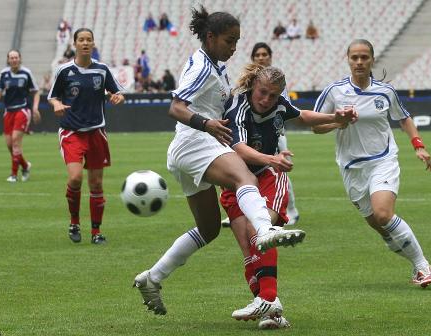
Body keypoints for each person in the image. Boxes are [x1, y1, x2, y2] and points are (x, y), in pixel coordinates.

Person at [133, 6, 306, 316]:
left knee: (209, 228)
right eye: (230, 40)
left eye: (237, 40)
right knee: (246, 178)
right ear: (210, 37)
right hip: (195, 141)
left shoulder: (214, 65)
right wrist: (207, 123)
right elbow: (175, 107)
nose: (235, 47)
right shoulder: (202, 66)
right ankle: (265, 229)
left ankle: (152, 277)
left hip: (186, 150)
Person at [221, 63, 357, 329]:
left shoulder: (279, 105)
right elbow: (238, 148)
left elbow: (303, 116)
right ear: (252, 87)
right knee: (249, 253)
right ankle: (272, 313)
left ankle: (269, 298)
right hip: (234, 183)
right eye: (262, 92)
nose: (266, 100)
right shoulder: (239, 107)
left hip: (268, 178)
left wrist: (335, 118)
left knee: (257, 231)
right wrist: (273, 157)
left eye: (273, 95)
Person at [312, 39, 431, 287]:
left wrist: (418, 145)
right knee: (380, 227)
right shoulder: (334, 91)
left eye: (364, 57)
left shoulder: (385, 91)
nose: (359, 62)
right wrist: (339, 122)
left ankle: (423, 266)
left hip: (382, 161)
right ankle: (415, 264)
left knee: (383, 214)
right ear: (347, 59)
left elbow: (404, 118)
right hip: (351, 167)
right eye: (354, 57)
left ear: (372, 60)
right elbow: (315, 125)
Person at [48, 28, 125, 245]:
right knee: (75, 178)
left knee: (96, 184)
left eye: (88, 40)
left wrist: (117, 97)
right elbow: (52, 97)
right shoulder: (64, 71)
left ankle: (96, 232)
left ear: (93, 44)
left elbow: (116, 92)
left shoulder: (102, 69)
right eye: (81, 40)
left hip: (96, 132)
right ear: (75, 44)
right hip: (71, 131)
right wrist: (56, 105)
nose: (85, 43)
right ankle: (74, 222)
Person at [221, 42, 300, 228]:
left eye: (265, 54)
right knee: (241, 167)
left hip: (274, 132)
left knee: (277, 170)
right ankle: (245, 210)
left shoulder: (279, 82)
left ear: (270, 57)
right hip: (252, 132)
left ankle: (289, 209)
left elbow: (287, 110)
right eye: (258, 54)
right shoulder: (248, 89)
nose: (261, 57)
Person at [0, 50, 41, 182]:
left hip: (22, 110)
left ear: (20, 59)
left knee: (15, 141)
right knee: (9, 144)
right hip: (9, 111)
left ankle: (13, 175)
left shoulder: (26, 73)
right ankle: (25, 166)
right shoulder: (4, 74)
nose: (14, 60)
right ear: (8, 60)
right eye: (11, 58)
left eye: (16, 57)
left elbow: (36, 92)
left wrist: (35, 108)